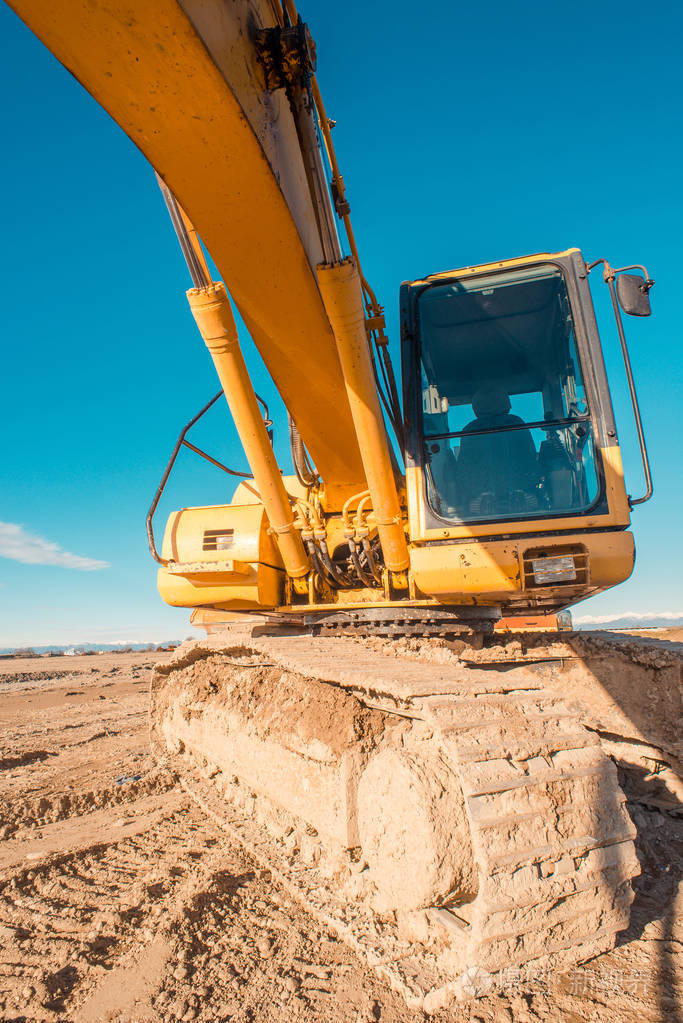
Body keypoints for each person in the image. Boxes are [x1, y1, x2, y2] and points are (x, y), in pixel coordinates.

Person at [456, 387, 539, 515]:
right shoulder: (516, 423)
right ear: (507, 404)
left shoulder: (470, 429)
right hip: (521, 492)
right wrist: (526, 489)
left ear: (475, 408)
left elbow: (465, 467)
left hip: (481, 499)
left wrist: (477, 495)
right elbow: (530, 458)